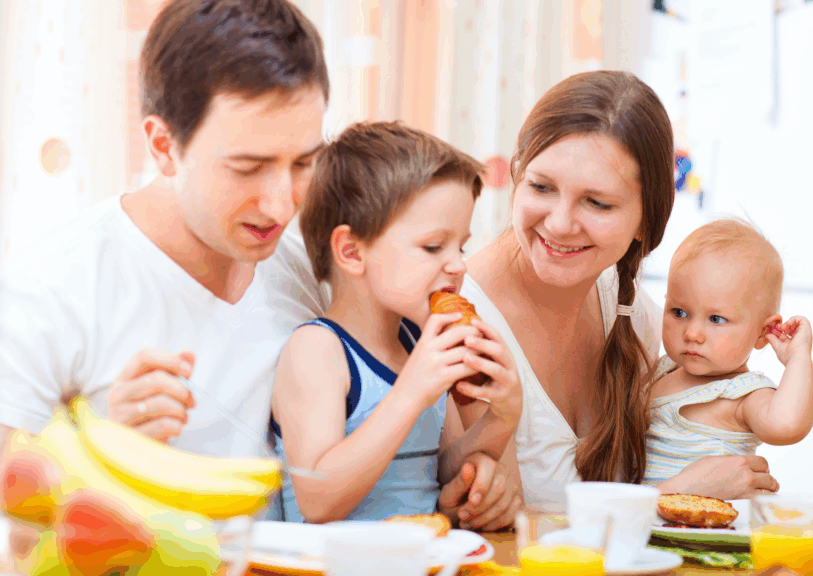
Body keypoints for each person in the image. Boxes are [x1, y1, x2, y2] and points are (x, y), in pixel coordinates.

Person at [0, 0, 516, 527]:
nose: (282, 203)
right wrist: (103, 453)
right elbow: (13, 533)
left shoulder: (310, 276)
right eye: (248, 167)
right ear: (163, 146)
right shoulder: (48, 288)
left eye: (304, 162)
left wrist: (472, 472)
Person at [462, 70, 782, 509]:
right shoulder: (462, 321)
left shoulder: (631, 309)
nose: (560, 223)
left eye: (597, 203)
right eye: (541, 186)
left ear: (646, 221)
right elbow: (493, 523)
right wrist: (674, 495)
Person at [271, 122, 522, 528]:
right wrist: (412, 391)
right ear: (352, 253)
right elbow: (316, 500)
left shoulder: (419, 344)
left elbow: (442, 469)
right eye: (433, 246)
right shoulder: (317, 350)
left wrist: (501, 418)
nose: (458, 265)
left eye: (460, 246)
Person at [643, 219, 813, 485]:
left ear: (762, 332)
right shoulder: (661, 371)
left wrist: (798, 357)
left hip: (714, 513)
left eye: (716, 319)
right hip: (651, 508)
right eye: (679, 312)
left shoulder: (742, 394)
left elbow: (787, 426)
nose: (692, 333)